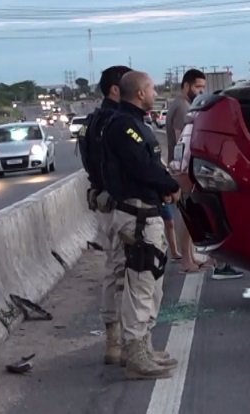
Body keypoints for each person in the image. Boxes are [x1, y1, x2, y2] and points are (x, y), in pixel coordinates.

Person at [100, 70, 180, 379]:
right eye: (151, 88)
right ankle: (135, 352)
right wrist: (170, 184)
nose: (154, 91)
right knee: (140, 284)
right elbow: (143, 168)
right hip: (137, 214)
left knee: (151, 281)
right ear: (139, 93)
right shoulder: (124, 126)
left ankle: (144, 346)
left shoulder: (135, 123)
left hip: (147, 210)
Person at [75, 64, 132, 367]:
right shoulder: (115, 122)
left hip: (103, 202)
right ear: (115, 89)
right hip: (120, 205)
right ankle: (120, 340)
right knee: (124, 272)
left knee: (113, 268)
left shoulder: (92, 122)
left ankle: (115, 338)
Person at [167, 68, 245, 280]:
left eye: (203, 87)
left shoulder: (181, 105)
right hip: (183, 169)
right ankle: (186, 260)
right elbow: (182, 139)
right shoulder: (183, 107)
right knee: (187, 214)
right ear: (186, 86)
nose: (201, 91)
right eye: (197, 87)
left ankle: (190, 257)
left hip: (182, 168)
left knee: (190, 213)